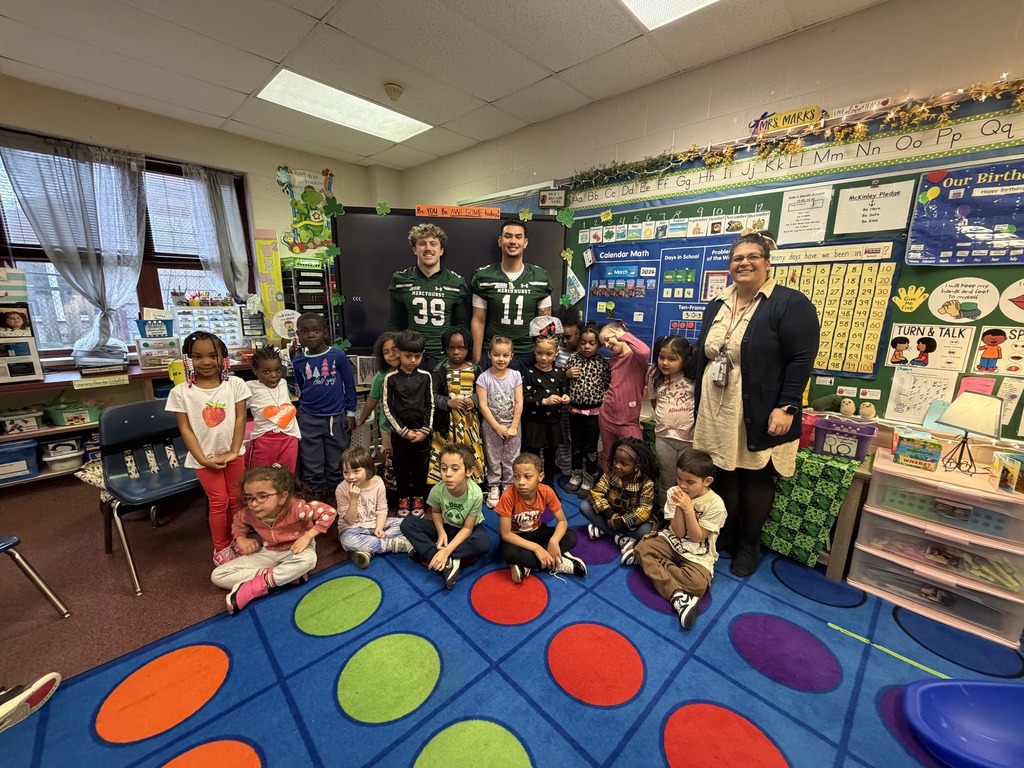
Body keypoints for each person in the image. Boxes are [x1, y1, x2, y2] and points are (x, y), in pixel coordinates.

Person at [692, 230, 819, 578]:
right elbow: (704, 354)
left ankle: (750, 544)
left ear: (767, 262)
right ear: (729, 266)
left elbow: (801, 359)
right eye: (737, 258)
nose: (744, 263)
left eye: (752, 257)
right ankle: (728, 536)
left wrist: (788, 405)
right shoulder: (717, 303)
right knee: (725, 474)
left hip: (761, 409)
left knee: (756, 478)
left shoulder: (789, 303)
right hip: (717, 408)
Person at [166, 331, 250, 566]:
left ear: (223, 357)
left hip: (234, 455)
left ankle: (238, 539)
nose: (205, 362)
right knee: (219, 502)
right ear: (188, 360)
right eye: (197, 356)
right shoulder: (181, 392)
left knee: (236, 500)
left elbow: (241, 419)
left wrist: (234, 451)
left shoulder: (235, 384)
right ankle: (221, 547)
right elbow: (185, 429)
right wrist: (202, 459)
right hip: (203, 459)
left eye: (213, 355)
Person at [212, 464, 336, 613]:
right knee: (218, 575)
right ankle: (285, 576)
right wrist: (241, 539)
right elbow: (238, 522)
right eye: (249, 498)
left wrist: (307, 536)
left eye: (263, 496)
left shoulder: (298, 508)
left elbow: (329, 512)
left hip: (296, 549)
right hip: (270, 551)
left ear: (282, 497)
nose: (254, 503)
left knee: (308, 561)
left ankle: (257, 586)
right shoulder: (249, 513)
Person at [634, 449, 727, 631]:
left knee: (698, 586)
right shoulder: (673, 492)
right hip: (671, 541)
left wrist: (688, 509)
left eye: (690, 482)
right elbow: (676, 532)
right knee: (642, 549)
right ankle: (677, 596)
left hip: (698, 553)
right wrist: (679, 507)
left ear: (707, 481)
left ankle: (659, 568)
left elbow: (696, 537)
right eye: (679, 479)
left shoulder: (716, 504)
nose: (682, 486)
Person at [400, 443, 490, 590]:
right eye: (443, 468)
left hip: (468, 530)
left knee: (483, 543)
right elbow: (435, 512)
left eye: (455, 469)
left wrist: (446, 551)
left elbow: (468, 528)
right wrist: (441, 532)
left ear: (469, 471)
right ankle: (446, 562)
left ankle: (433, 554)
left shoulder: (476, 493)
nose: (447, 474)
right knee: (407, 523)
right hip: (447, 527)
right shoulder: (437, 490)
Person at [385, 223, 471, 371]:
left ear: (441, 250)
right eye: (422, 243)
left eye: (433, 244)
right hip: (411, 355)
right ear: (414, 249)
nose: (428, 248)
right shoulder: (401, 279)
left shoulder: (456, 282)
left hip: (444, 357)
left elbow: (462, 326)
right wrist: (397, 353)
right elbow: (394, 323)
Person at [470, 220, 554, 369]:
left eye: (518, 237)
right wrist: (476, 359)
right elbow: (478, 320)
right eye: (508, 236)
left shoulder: (540, 278)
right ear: (500, 241)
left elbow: (544, 324)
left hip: (527, 355)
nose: (513, 241)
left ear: (525, 242)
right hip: (493, 354)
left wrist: (543, 360)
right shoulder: (484, 276)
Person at [293, 312, 357, 502]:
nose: (310, 335)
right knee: (311, 464)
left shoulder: (337, 355)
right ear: (298, 334)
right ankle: (314, 501)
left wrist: (351, 412)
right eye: (305, 331)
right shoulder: (298, 361)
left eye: (316, 330)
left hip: (336, 417)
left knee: (336, 464)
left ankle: (337, 500)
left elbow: (350, 385)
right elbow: (302, 387)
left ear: (325, 333)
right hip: (308, 418)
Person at [496, 452, 586, 583]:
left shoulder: (547, 491)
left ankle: (526, 564)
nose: (521, 482)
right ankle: (557, 562)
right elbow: (506, 534)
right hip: (516, 537)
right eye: (516, 477)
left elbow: (562, 521)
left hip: (537, 532)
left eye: (527, 477)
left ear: (540, 477)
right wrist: (536, 548)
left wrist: (554, 541)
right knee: (507, 552)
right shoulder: (508, 496)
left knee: (570, 537)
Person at [579, 437, 658, 566]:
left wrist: (621, 522)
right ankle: (621, 538)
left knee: (646, 530)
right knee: (584, 506)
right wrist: (609, 515)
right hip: (610, 515)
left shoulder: (646, 483)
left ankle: (604, 529)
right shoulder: (610, 474)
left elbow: (644, 510)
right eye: (615, 460)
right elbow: (596, 493)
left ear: (636, 467)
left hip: (629, 522)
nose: (616, 465)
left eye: (624, 464)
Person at [381, 330, 434, 515]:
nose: (412, 360)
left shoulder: (426, 376)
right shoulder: (391, 378)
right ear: (399, 353)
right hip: (400, 434)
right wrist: (403, 431)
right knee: (401, 467)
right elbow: (387, 408)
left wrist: (425, 430)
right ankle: (403, 499)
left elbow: (430, 404)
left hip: (422, 433)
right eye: (408, 355)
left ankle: (418, 498)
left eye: (417, 356)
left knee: (421, 467)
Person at [335, 446, 412, 568]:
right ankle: (395, 544)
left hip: (375, 524)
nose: (350, 477)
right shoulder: (341, 489)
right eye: (346, 472)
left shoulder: (378, 482)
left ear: (368, 470)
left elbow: (382, 509)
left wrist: (379, 528)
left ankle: (367, 550)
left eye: (356, 471)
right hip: (353, 529)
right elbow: (349, 521)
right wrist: (354, 499)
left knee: (407, 524)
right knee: (347, 540)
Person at [427, 325, 485, 486]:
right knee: (447, 453)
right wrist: (448, 402)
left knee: (470, 450)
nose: (456, 352)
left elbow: (482, 392)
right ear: (445, 348)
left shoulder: (475, 369)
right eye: (451, 348)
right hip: (447, 424)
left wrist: (473, 400)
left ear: (468, 348)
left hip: (469, 423)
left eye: (461, 348)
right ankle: (442, 487)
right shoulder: (440, 370)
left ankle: (474, 485)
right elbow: (431, 396)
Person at [647, 335, 697, 510]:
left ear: (685, 360)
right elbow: (654, 401)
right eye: (662, 357)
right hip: (664, 437)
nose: (665, 363)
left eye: (672, 359)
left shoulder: (693, 377)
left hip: (689, 439)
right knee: (667, 478)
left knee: (688, 480)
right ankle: (665, 513)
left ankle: (686, 515)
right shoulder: (654, 376)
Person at [597, 320, 651, 473]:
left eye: (608, 339)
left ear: (619, 333)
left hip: (628, 422)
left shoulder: (636, 358)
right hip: (607, 416)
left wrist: (624, 335)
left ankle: (632, 491)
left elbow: (645, 351)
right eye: (603, 343)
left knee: (636, 456)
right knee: (608, 454)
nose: (606, 345)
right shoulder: (613, 361)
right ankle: (608, 484)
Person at [476, 335, 524, 508]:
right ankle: (494, 486)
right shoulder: (483, 378)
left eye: (505, 355)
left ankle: (509, 486)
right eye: (497, 355)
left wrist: (513, 426)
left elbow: (519, 402)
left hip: (512, 425)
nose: (501, 359)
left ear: (511, 356)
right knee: (494, 457)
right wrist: (496, 426)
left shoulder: (516, 376)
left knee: (511, 457)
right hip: (491, 426)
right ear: (489, 355)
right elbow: (483, 404)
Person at [564, 322, 611, 497]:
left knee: (590, 447)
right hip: (574, 411)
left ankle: (589, 477)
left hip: (594, 413)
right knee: (575, 444)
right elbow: (563, 382)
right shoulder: (573, 359)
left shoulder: (602, 363)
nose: (587, 346)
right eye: (583, 342)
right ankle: (576, 474)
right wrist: (566, 375)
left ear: (598, 345)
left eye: (591, 343)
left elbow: (608, 384)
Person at [354, 331, 401, 505]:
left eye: (395, 349)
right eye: (386, 352)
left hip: (411, 428)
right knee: (391, 461)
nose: (391, 355)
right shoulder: (381, 377)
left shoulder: (414, 373)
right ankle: (394, 497)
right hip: (388, 428)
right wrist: (360, 420)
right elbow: (371, 401)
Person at [522, 320, 568, 487]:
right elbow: (525, 399)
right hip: (535, 423)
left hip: (553, 422)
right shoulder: (529, 372)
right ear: (534, 351)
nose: (543, 357)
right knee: (533, 457)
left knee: (550, 456)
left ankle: (549, 485)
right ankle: (532, 485)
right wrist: (544, 401)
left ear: (556, 353)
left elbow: (564, 392)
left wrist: (565, 399)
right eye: (539, 353)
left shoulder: (559, 373)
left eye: (548, 354)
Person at [245, 346, 301, 471]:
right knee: (259, 477)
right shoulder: (250, 387)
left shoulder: (282, 383)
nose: (274, 375)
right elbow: (237, 409)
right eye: (266, 372)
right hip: (264, 439)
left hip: (289, 437)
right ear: (255, 371)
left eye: (278, 370)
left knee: (286, 475)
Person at [554, 306, 582, 476]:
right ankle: (562, 466)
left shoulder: (586, 350)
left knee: (574, 438)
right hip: (560, 403)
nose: (564, 341)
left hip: (580, 406)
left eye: (568, 337)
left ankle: (571, 468)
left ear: (578, 333)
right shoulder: (558, 350)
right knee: (562, 436)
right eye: (561, 337)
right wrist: (566, 374)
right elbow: (550, 374)